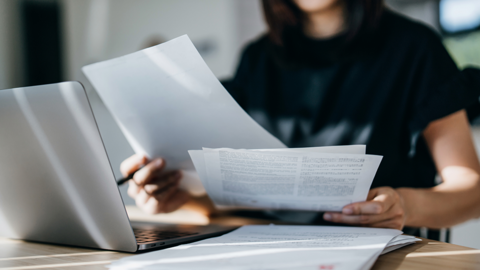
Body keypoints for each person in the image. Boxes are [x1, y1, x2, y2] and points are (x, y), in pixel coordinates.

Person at [120, 0, 480, 235]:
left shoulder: (416, 49)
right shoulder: (257, 60)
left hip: (376, 254)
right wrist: (178, 197)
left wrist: (404, 205)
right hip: (265, 250)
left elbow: (472, 191)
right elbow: (247, 196)